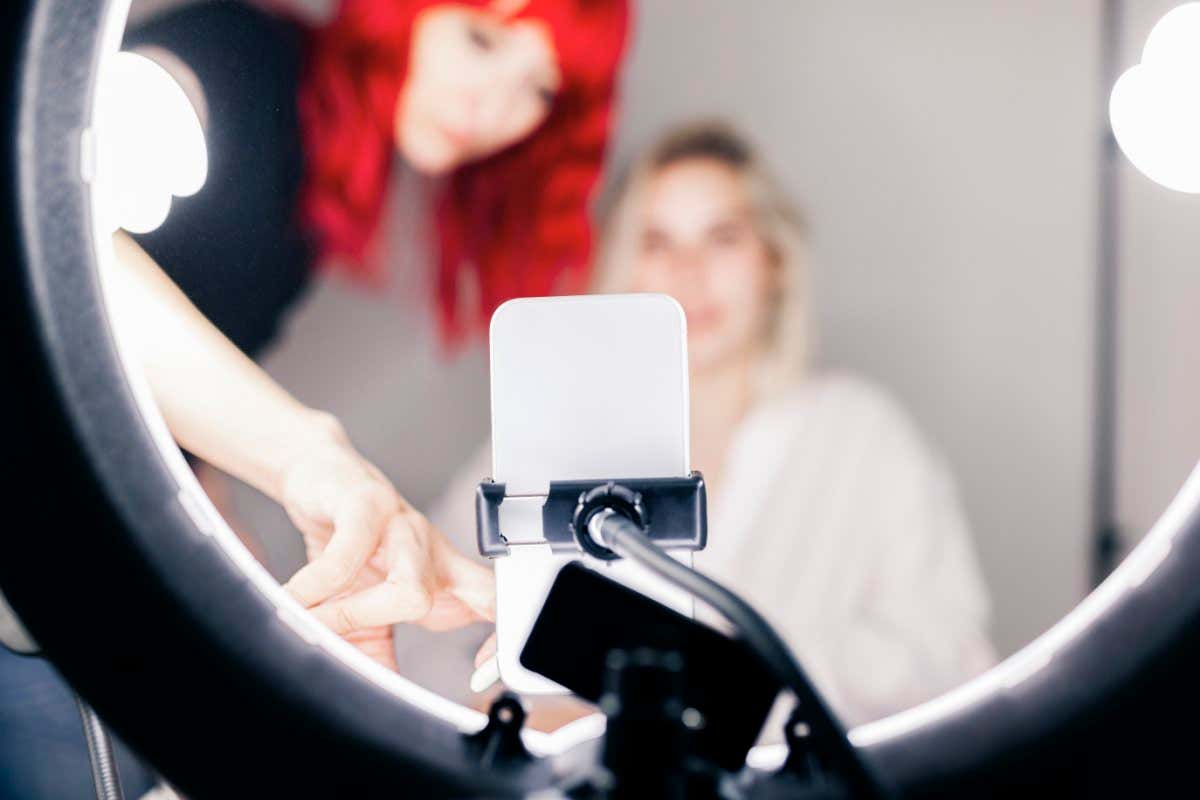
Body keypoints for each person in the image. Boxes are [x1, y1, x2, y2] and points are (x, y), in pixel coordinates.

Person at [0, 1, 630, 795]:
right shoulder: (242, 66)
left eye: (540, 88)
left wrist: (243, 568)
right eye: (479, 40)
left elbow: (161, 410)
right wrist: (311, 455)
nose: (494, 105)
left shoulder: (308, 212)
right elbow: (41, 218)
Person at [433, 120, 996, 728]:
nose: (688, 271)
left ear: (774, 261)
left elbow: (945, 656)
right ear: (625, 266)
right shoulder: (545, 439)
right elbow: (431, 623)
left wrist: (720, 683)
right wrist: (514, 710)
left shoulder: (865, 439)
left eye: (722, 238)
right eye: (657, 241)